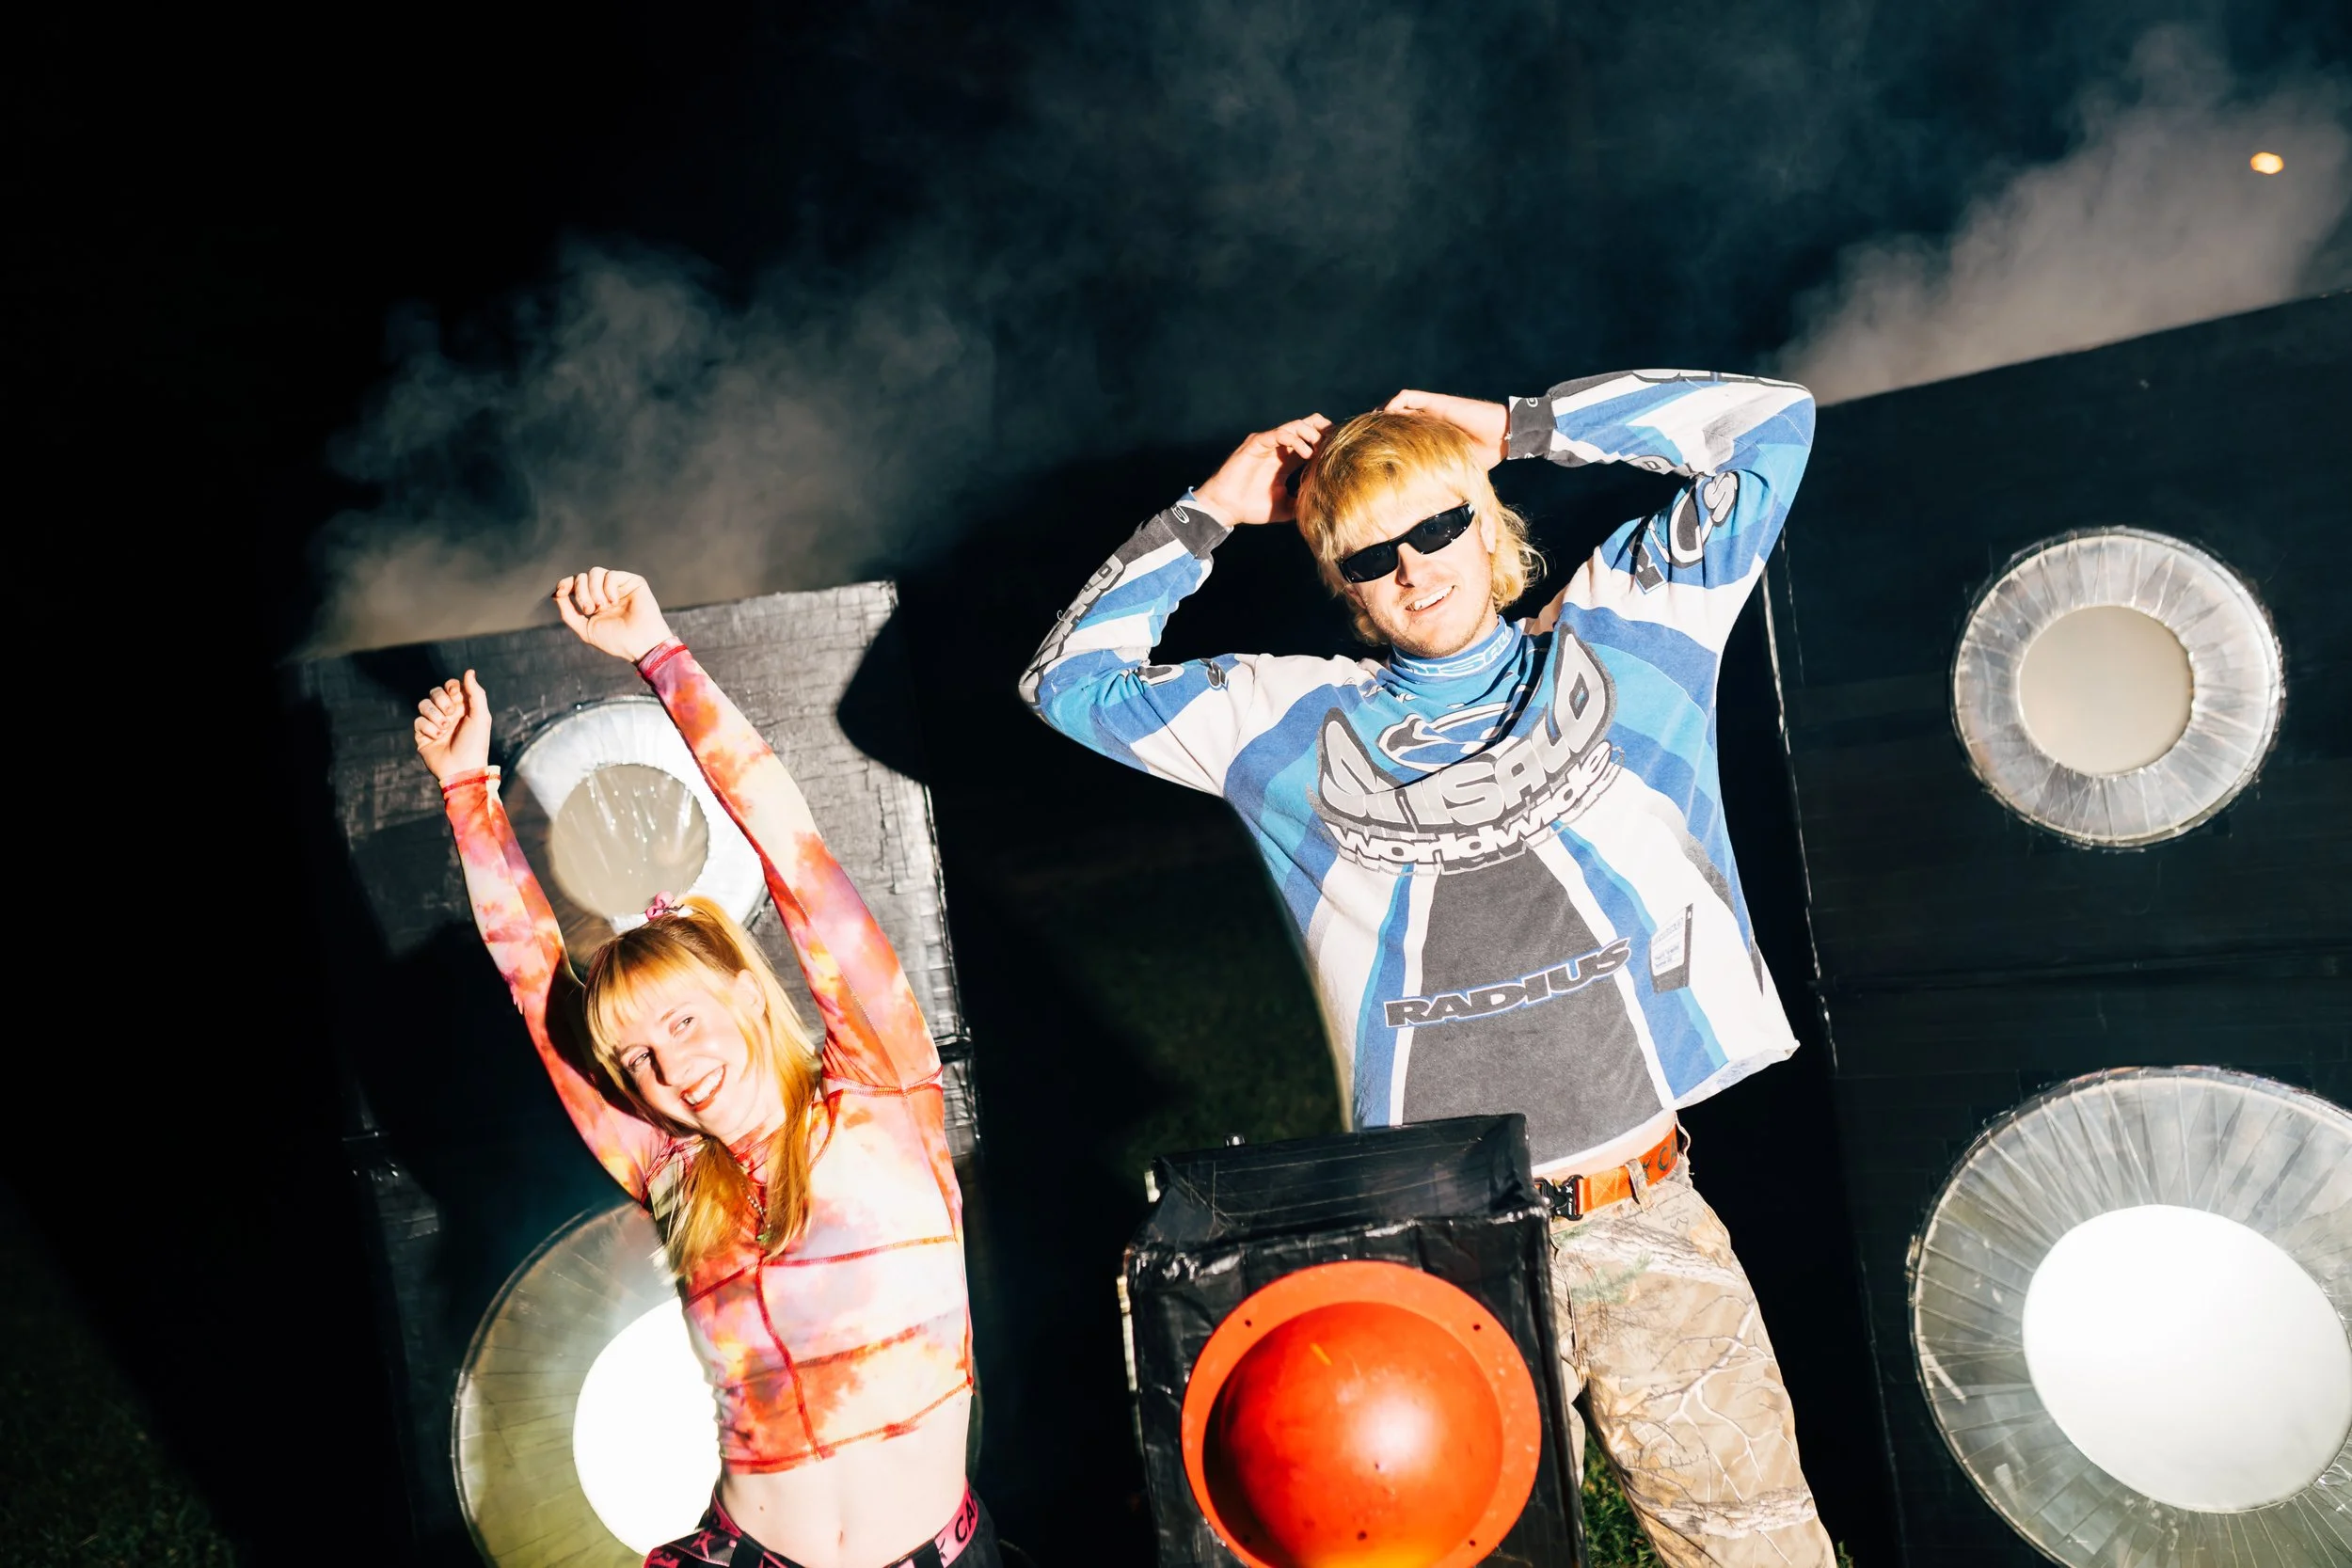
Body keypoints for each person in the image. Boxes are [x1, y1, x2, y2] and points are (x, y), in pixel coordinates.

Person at [1022, 372, 1833, 1568]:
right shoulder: (1285, 723)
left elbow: (1771, 426)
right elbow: (1067, 684)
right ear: (1342, 586)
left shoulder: (1629, 624)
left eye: (1438, 524)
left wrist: (1521, 424)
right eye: (1369, 555)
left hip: (1642, 1210)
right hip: (1441, 1251)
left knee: (1760, 1551)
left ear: (1488, 519)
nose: (1413, 567)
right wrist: (1210, 510)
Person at [415, 568, 993, 1568]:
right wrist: (469, 792)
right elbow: (534, 975)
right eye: (636, 1054)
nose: (670, 1065)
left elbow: (790, 846)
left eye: (682, 1020)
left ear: (743, 991)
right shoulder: (673, 1175)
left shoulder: (882, 1094)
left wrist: (659, 652)